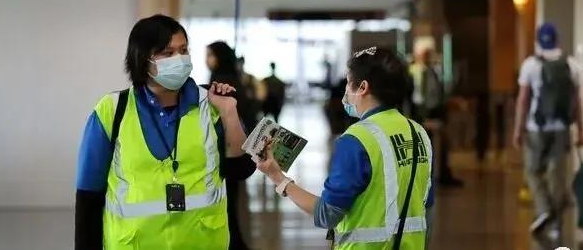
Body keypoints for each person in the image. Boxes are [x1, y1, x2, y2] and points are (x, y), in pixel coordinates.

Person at [74, 15, 255, 250]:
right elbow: (88, 195)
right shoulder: (112, 110)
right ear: (143, 59)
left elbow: (242, 170)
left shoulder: (211, 105)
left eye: (183, 50)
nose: (179, 59)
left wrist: (229, 112)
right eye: (167, 53)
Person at [256, 47, 434, 250]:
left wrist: (278, 178)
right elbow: (426, 208)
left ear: (363, 87)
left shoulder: (357, 139)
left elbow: (326, 214)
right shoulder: (419, 133)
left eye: (349, 83)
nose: (346, 90)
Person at [513, 22, 583, 240]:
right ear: (558, 40)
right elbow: (577, 102)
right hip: (562, 128)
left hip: (536, 128)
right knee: (558, 177)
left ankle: (544, 208)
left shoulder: (530, 65)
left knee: (533, 171)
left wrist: (518, 129)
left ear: (538, 41)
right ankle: (556, 225)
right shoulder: (571, 65)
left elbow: (523, 101)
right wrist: (581, 131)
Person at [206, 42, 257, 250]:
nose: (207, 60)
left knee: (226, 207)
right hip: (236, 150)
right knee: (230, 205)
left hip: (227, 151)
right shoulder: (234, 78)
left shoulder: (221, 83)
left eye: (210, 55)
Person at [409, 48, 463, 188]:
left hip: (435, 111)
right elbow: (420, 96)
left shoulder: (432, 72)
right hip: (425, 113)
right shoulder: (418, 72)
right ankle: (428, 175)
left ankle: (441, 174)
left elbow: (435, 94)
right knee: (426, 145)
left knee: (439, 143)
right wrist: (422, 116)